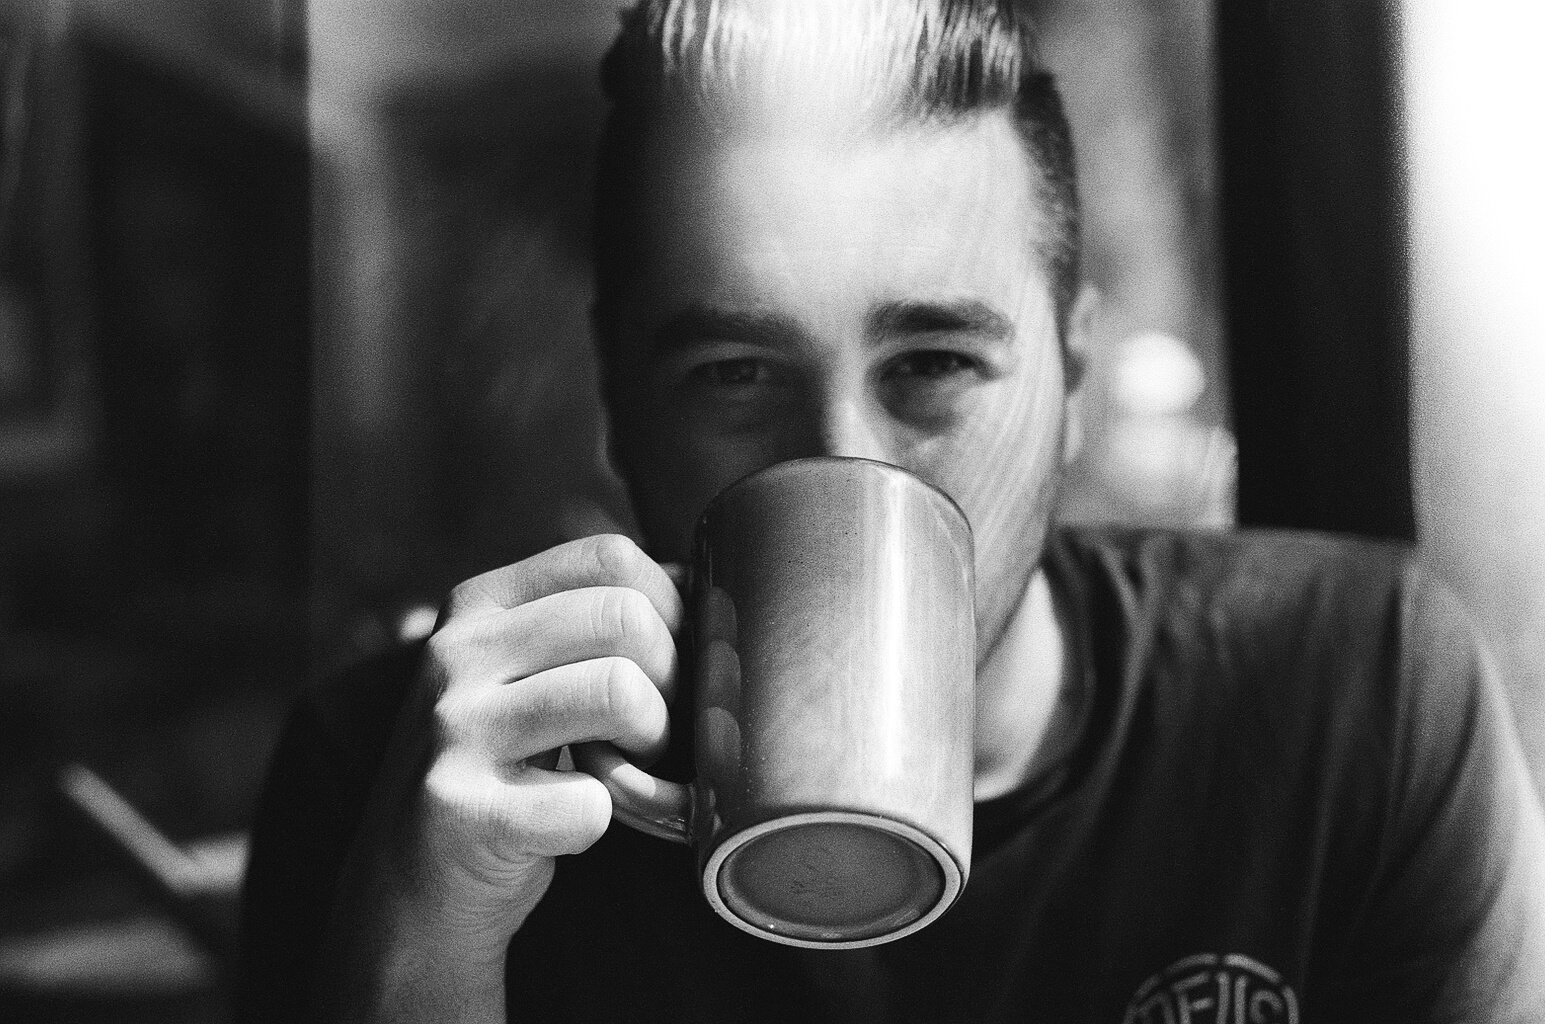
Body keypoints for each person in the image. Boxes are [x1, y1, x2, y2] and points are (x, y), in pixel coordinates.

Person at [238, 1, 1545, 1021]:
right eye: (735, 375)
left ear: (1073, 377)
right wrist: (421, 949)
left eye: (933, 364)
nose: (843, 456)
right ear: (616, 405)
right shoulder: (402, 788)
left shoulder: (1351, 691)